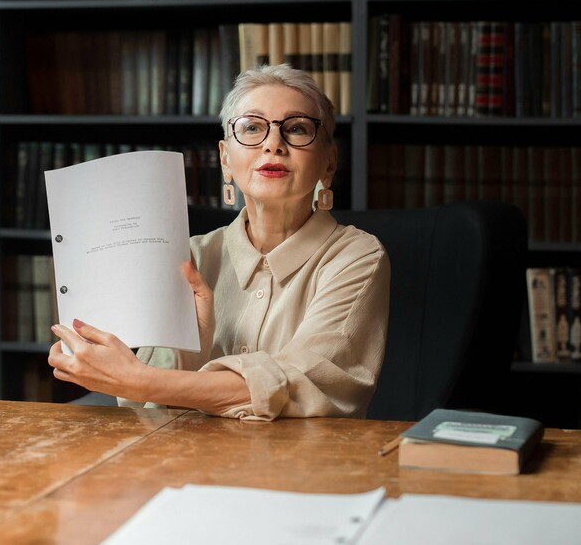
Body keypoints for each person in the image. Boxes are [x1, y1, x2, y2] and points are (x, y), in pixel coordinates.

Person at [47, 64, 390, 421]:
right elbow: (144, 411)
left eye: (297, 129)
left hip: (305, 468)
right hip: (191, 465)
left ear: (329, 164)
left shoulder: (358, 256)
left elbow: (300, 384)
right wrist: (184, 353)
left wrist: (138, 378)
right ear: (225, 159)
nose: (273, 144)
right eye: (253, 127)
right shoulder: (190, 256)